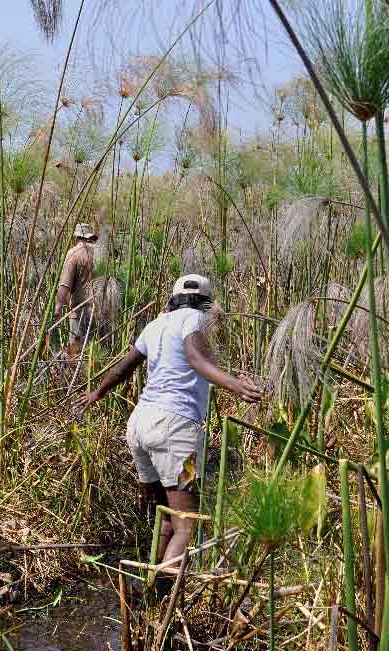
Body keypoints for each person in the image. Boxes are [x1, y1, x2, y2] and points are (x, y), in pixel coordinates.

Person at [74, 274, 263, 564]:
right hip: (176, 431)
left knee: (166, 519)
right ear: (207, 305)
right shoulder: (195, 320)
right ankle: (165, 588)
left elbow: (123, 368)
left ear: (173, 300)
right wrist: (236, 385)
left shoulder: (155, 324)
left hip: (139, 428)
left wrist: (97, 393)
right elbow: (195, 359)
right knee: (186, 525)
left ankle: (154, 586)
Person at [54, 223, 98, 354]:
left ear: (77, 237)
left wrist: (58, 308)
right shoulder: (101, 254)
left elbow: (64, 285)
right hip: (101, 312)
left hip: (79, 313)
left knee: (77, 355)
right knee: (95, 355)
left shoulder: (74, 254)